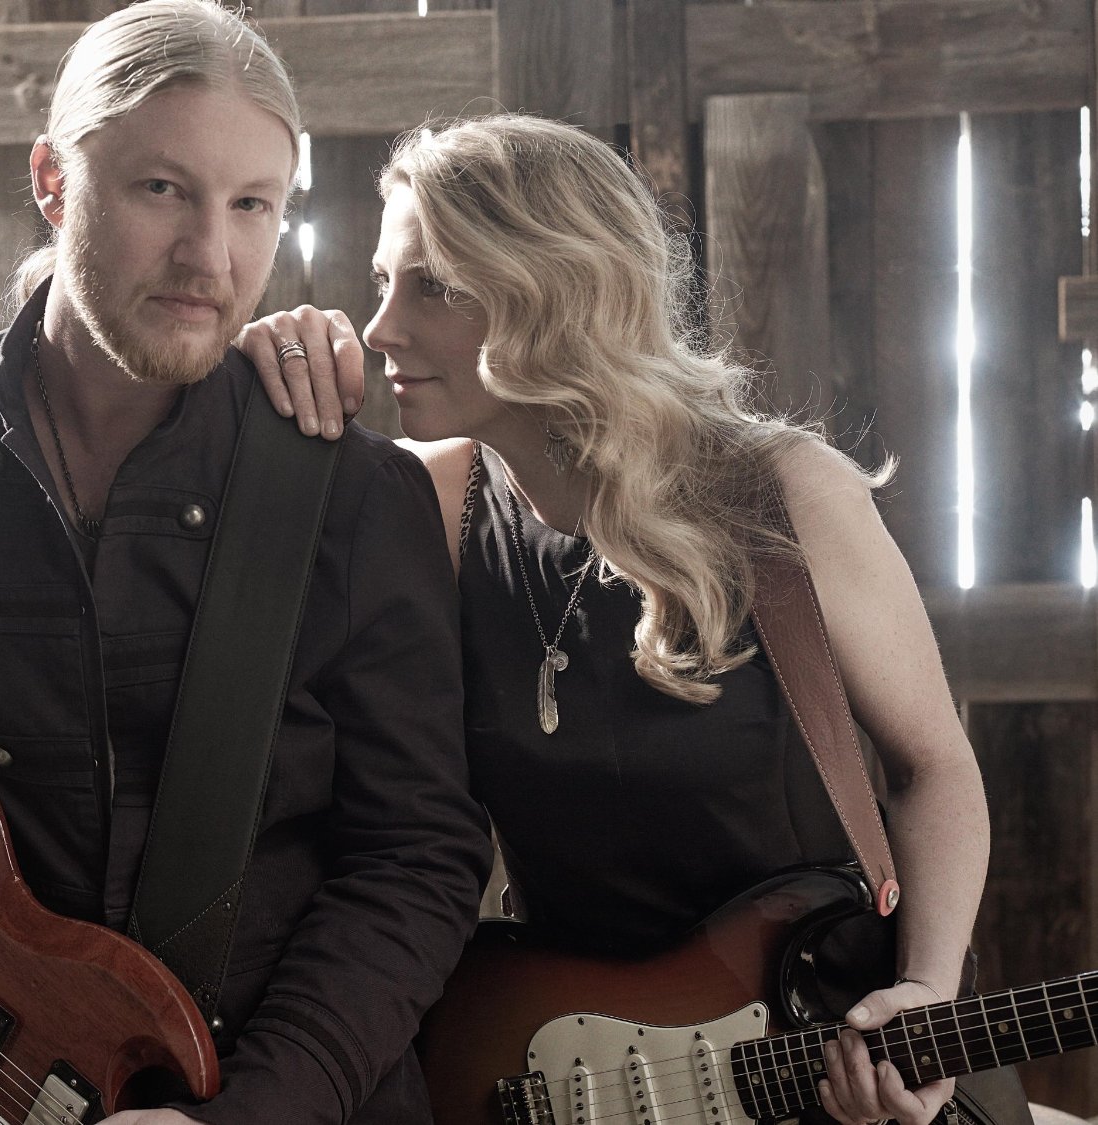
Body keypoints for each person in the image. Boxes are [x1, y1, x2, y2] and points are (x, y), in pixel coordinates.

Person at [0, 4, 490, 1124]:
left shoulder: (355, 495)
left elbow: (415, 861)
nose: (210, 257)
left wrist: (252, 1110)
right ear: (53, 182)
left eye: (252, 204)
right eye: (163, 188)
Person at [239, 114, 991, 1125]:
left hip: (836, 1058)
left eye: (432, 287)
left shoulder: (785, 496)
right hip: (589, 1086)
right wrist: (255, 371)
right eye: (381, 283)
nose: (380, 330)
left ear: (552, 293)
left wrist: (927, 992)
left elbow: (933, 765)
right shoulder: (431, 510)